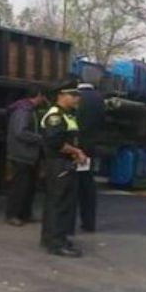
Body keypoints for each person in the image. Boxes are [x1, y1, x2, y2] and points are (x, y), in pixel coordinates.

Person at [40, 79, 87, 257]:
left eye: (77, 95)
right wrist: (77, 151)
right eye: (73, 95)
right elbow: (55, 143)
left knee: (59, 202)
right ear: (61, 96)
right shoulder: (55, 117)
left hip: (63, 163)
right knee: (59, 203)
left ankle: (52, 237)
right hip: (59, 163)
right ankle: (56, 243)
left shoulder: (67, 114)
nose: (77, 98)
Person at [5, 85, 46, 226]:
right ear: (38, 95)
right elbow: (20, 132)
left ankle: (25, 214)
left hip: (29, 154)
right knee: (20, 187)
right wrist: (40, 138)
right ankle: (12, 215)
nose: (44, 99)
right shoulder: (23, 111)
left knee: (29, 187)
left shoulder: (30, 110)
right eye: (43, 96)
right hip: (22, 154)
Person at [74, 83, 105, 232]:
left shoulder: (76, 97)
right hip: (90, 147)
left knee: (71, 184)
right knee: (87, 184)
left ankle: (68, 223)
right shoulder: (99, 99)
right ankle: (89, 222)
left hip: (75, 147)